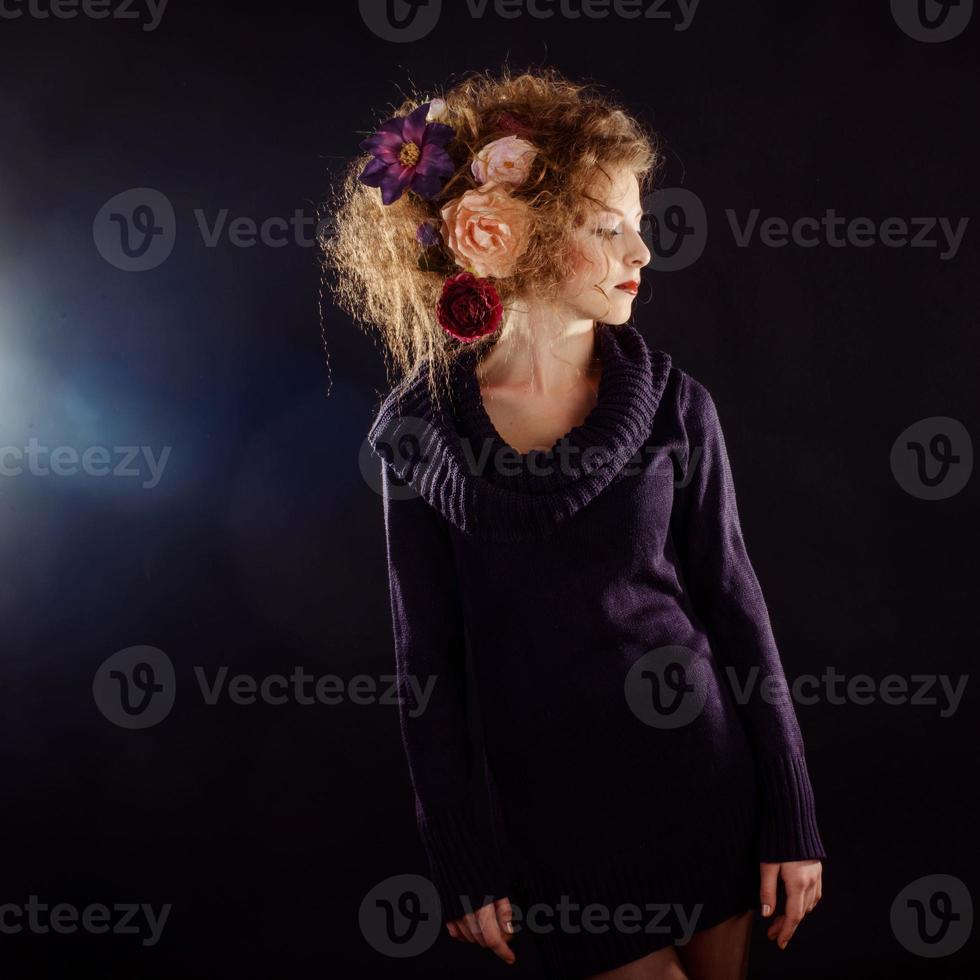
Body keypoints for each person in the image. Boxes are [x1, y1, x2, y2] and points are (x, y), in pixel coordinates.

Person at [323, 65, 827, 980]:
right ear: (515, 237)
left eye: (640, 225)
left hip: (708, 788)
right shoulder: (417, 433)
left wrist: (791, 815)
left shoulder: (680, 408)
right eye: (608, 229)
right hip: (554, 831)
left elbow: (737, 614)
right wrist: (460, 859)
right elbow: (427, 667)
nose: (642, 254)